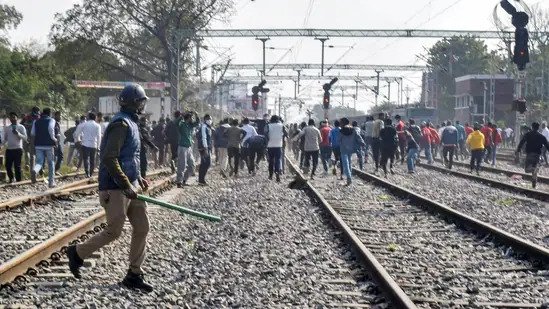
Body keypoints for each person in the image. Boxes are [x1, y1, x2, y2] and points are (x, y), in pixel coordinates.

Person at [66, 84, 153, 292]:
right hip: (115, 187)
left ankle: (134, 274)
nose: (142, 105)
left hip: (130, 185)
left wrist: (138, 178)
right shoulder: (121, 124)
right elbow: (109, 157)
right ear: (133, 103)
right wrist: (125, 184)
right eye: (141, 101)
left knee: (142, 226)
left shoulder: (132, 122)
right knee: (114, 231)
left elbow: (130, 155)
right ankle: (77, 253)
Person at [516, 122, 549, 188]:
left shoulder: (528, 134)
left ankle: (534, 179)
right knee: (534, 170)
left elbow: (522, 142)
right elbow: (547, 145)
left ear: (532, 127)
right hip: (537, 155)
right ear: (538, 128)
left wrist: (518, 150)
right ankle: (534, 184)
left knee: (527, 169)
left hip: (530, 154)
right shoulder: (541, 136)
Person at [30, 108, 58, 187]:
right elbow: (50, 129)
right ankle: (51, 183)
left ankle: (35, 170)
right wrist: (54, 139)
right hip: (49, 145)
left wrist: (33, 145)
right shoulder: (51, 120)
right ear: (49, 113)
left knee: (39, 162)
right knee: (51, 163)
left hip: (38, 145)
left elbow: (32, 134)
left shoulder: (36, 121)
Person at [74, 112, 102, 178]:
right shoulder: (98, 125)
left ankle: (87, 173)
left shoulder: (84, 124)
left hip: (85, 144)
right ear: (95, 118)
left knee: (85, 159)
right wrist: (98, 146)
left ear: (88, 117)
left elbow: (77, 133)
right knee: (92, 160)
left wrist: (78, 140)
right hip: (94, 145)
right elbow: (99, 136)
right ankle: (91, 173)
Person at [339, 117, 365, 185]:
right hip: (351, 149)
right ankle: (349, 177)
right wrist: (362, 143)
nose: (340, 124)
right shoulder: (353, 129)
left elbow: (339, 140)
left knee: (345, 164)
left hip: (343, 149)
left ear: (343, 123)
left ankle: (349, 177)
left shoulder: (341, 131)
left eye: (341, 123)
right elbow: (358, 137)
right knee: (349, 162)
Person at [176, 111, 200, 187]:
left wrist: (196, 114)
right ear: (188, 118)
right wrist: (181, 116)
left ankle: (184, 180)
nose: (192, 119)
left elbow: (197, 123)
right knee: (182, 165)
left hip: (188, 147)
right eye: (191, 118)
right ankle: (179, 181)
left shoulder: (190, 125)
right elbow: (175, 123)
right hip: (182, 147)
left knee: (192, 165)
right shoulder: (182, 124)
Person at [3, 112, 27, 183]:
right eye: (10, 117)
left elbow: (25, 138)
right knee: (8, 166)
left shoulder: (21, 127)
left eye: (13, 117)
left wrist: (18, 134)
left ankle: (18, 181)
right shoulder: (7, 128)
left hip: (18, 149)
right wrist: (1, 145)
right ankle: (11, 178)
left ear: (17, 118)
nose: (12, 119)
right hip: (9, 150)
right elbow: (5, 139)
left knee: (17, 166)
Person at [264, 115, 287, 181]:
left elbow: (265, 133)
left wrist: (268, 140)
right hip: (279, 145)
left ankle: (270, 176)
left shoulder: (268, 125)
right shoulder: (281, 125)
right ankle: (277, 174)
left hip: (270, 145)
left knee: (271, 160)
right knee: (277, 160)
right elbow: (286, 133)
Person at [197, 114, 213, 185]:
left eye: (210, 119)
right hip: (204, 148)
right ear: (205, 119)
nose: (210, 120)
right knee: (206, 163)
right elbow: (204, 138)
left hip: (206, 147)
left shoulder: (208, 127)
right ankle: (201, 180)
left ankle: (201, 179)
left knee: (205, 163)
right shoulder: (204, 127)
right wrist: (206, 148)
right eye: (208, 119)